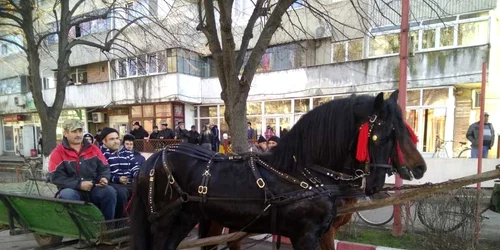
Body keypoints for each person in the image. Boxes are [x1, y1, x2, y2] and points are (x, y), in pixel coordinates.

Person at [48, 120, 116, 220]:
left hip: (93, 188)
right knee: (68, 195)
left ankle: (106, 226)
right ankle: (83, 228)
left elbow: (104, 167)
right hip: (71, 190)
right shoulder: (58, 152)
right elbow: (55, 177)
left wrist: (104, 178)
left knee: (109, 192)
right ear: (66, 133)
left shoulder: (93, 148)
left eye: (80, 131)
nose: (78, 134)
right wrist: (79, 184)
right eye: (74, 131)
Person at [100, 127, 140, 218]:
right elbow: (102, 173)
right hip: (112, 183)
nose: (116, 141)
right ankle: (120, 221)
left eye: (117, 138)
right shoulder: (101, 154)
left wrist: (138, 175)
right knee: (121, 193)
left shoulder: (127, 152)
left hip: (130, 182)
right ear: (104, 141)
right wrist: (118, 179)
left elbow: (135, 167)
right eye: (112, 139)